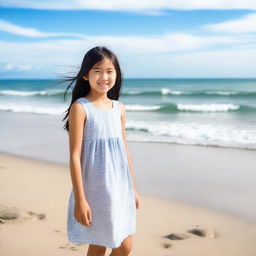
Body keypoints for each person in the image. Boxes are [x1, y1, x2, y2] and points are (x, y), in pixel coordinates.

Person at [62, 46, 140, 256]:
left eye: (110, 71)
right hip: (95, 190)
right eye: (97, 71)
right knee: (98, 245)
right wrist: (80, 199)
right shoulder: (81, 108)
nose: (104, 76)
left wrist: (131, 188)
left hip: (120, 187)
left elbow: (124, 150)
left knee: (125, 245)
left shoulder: (119, 108)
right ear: (86, 75)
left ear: (117, 74)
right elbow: (75, 156)